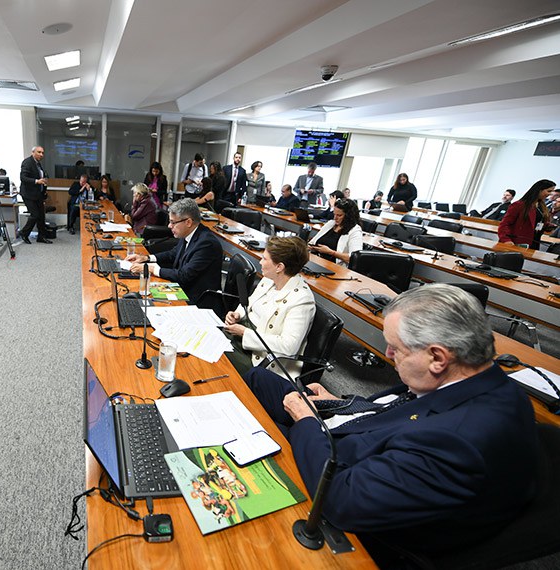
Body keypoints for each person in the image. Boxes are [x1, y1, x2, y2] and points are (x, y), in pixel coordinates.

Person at [244, 283, 539, 558]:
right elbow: (399, 408)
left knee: (250, 439)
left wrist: (306, 420)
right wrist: (344, 403)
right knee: (259, 378)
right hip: (356, 430)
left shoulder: (457, 442)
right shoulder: (474, 380)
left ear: (438, 358)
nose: (387, 355)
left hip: (341, 477)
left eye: (396, 348)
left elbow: (342, 500)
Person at [223, 237, 315, 377]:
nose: (260, 262)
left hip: (260, 357)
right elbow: (249, 302)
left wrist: (245, 333)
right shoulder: (269, 279)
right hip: (242, 334)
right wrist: (238, 314)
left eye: (264, 259)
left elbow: (289, 346)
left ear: (279, 267)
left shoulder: (302, 300)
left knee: (216, 355)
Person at [126, 199, 222, 304]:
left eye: (173, 222)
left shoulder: (207, 243)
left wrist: (152, 269)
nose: (169, 226)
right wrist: (146, 258)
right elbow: (173, 254)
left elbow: (184, 275)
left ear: (188, 222)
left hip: (196, 300)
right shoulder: (189, 233)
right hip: (183, 289)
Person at [498, 179, 555, 248]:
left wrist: (548, 226)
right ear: (539, 190)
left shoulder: (542, 206)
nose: (550, 194)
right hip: (517, 242)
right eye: (549, 191)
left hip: (534, 241)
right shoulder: (519, 205)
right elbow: (504, 224)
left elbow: (537, 221)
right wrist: (506, 240)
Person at [308, 199, 363, 265]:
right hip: (316, 260)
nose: (335, 218)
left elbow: (354, 258)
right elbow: (313, 241)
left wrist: (331, 252)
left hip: (334, 266)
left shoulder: (355, 231)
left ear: (348, 216)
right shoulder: (331, 223)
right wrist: (312, 247)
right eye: (334, 214)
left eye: (339, 215)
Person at [19, 146, 51, 244]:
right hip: (28, 194)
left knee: (41, 216)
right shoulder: (27, 162)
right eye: (39, 152)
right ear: (33, 152)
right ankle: (24, 233)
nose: (41, 155)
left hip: (38, 194)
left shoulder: (38, 163)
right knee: (35, 215)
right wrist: (37, 181)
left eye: (42, 153)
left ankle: (41, 236)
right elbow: (23, 178)